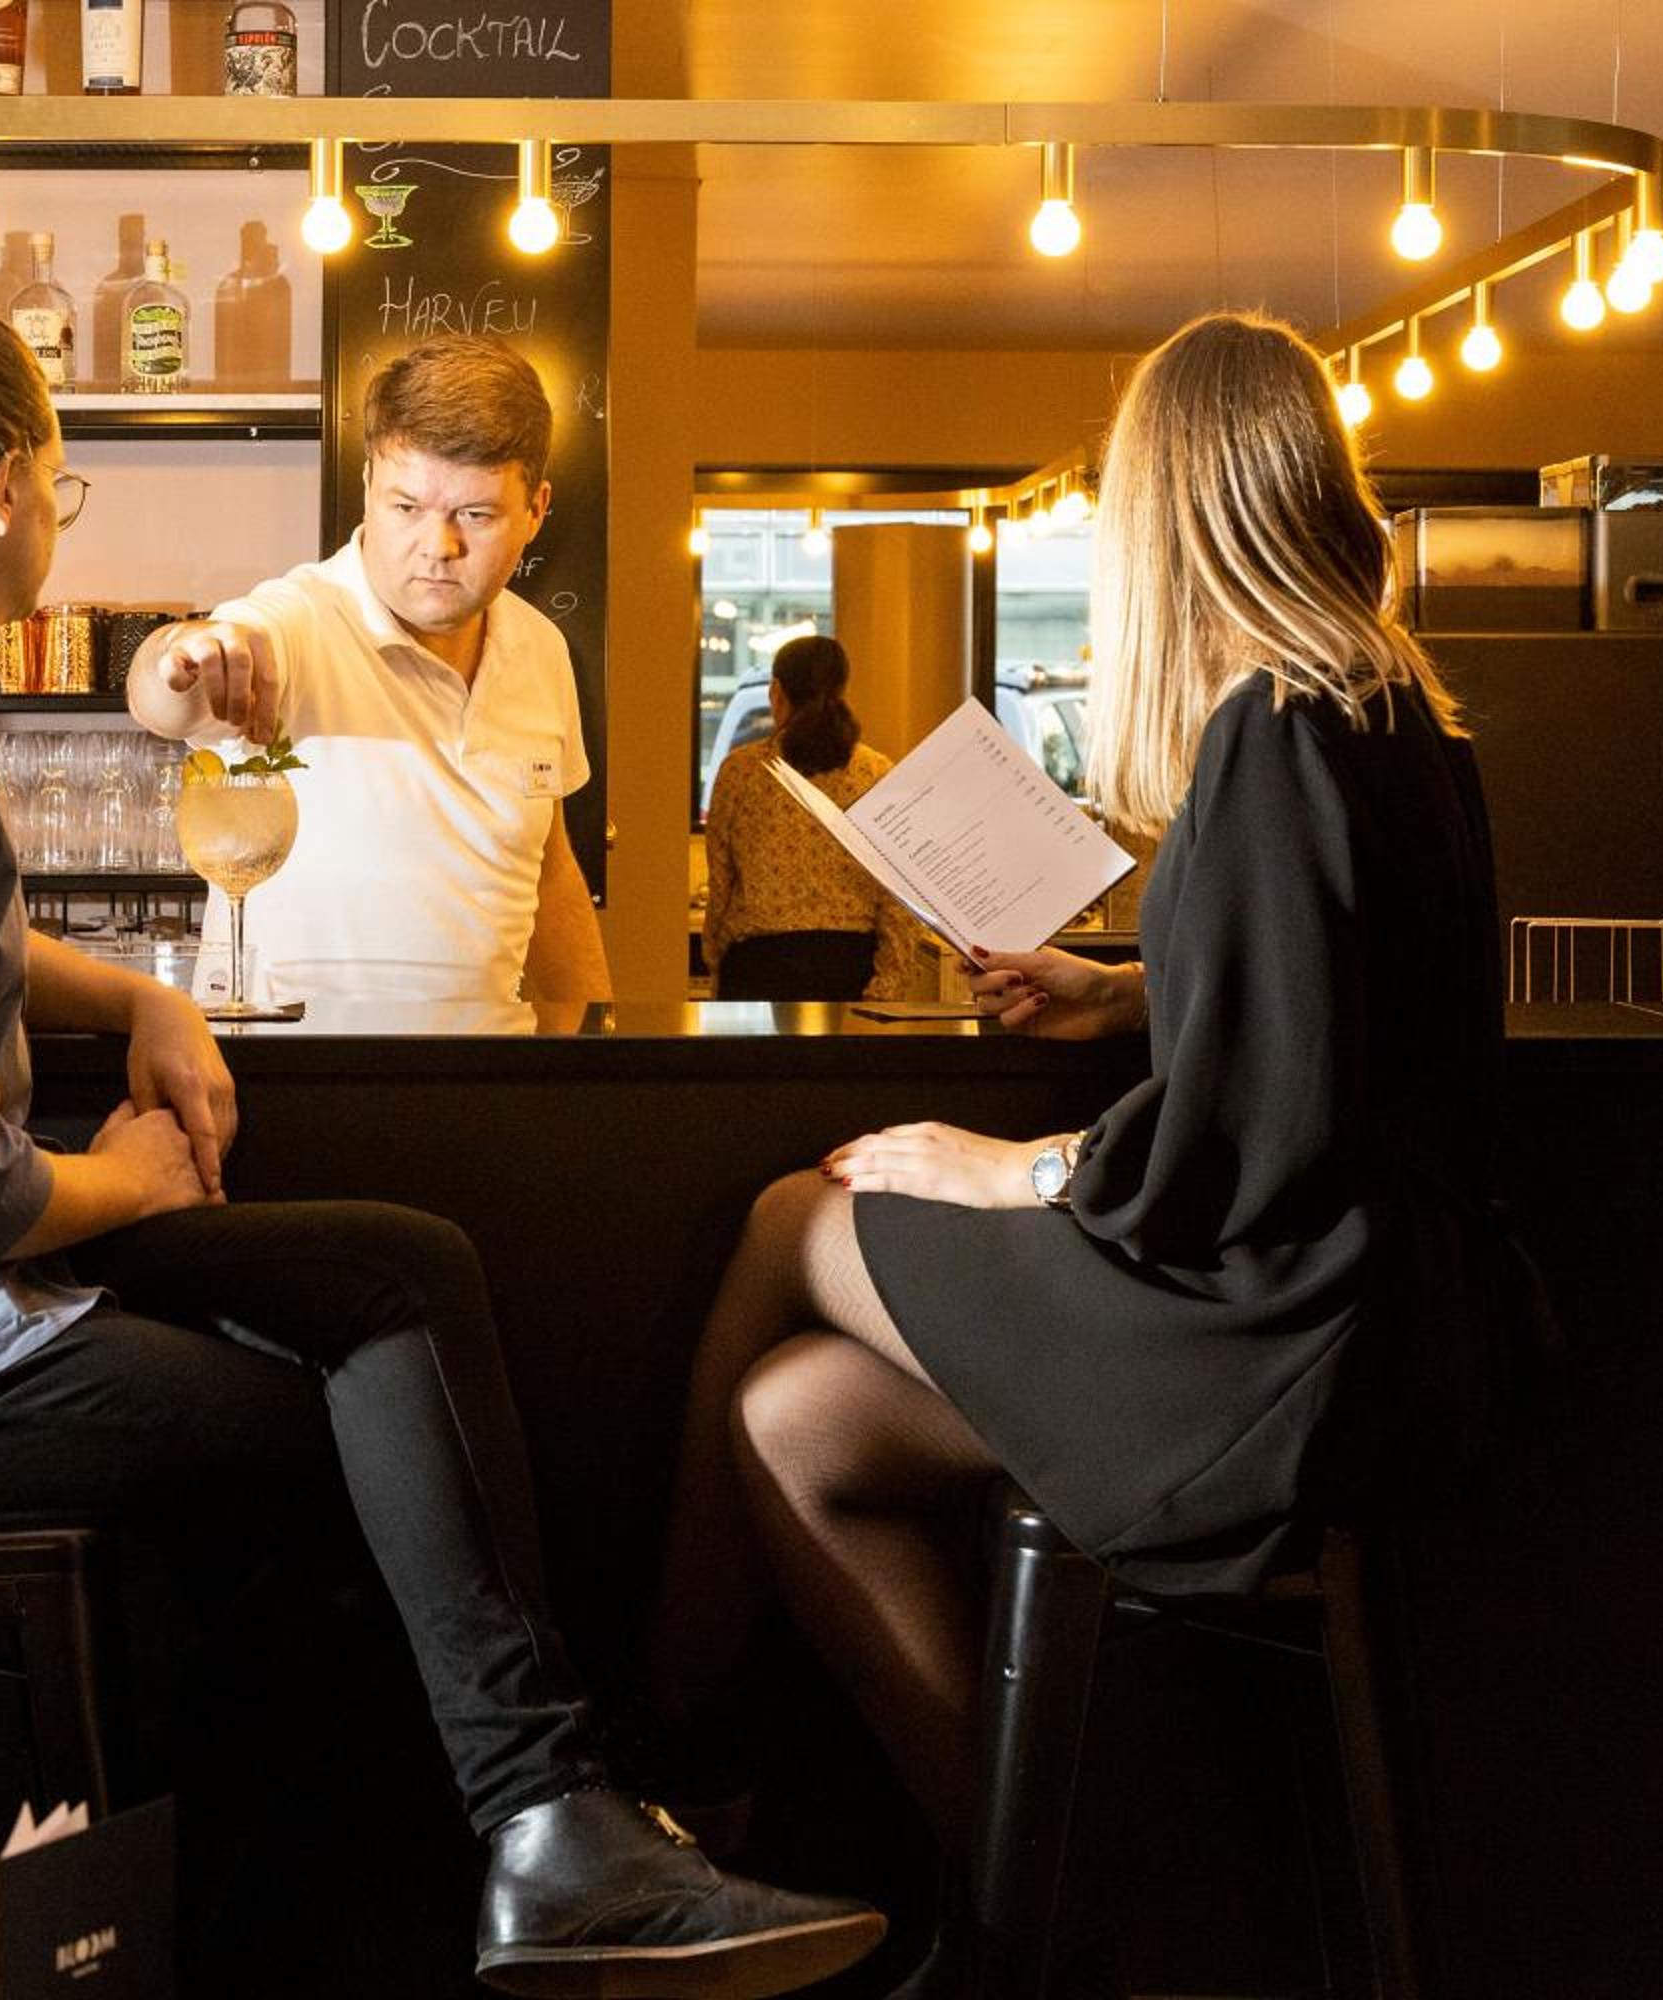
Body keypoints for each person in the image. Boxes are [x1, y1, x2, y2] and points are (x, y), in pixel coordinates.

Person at [0, 274, 881, 1999]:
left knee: (401, 1278)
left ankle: (529, 1838)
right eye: (60, 486)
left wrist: (140, 994)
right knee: (365, 1456)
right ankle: (441, 1862)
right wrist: (128, 1178)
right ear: (6, 489)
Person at [643, 312, 1546, 1985]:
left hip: (1280, 1332)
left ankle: (662, 1772)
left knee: (791, 1218)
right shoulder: (1386, 704)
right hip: (1378, 1329)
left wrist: (1017, 1167)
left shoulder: (1275, 721)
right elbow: (1328, 1010)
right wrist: (1122, 990)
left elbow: (1259, 1120)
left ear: (1167, 508)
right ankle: (1060, 1931)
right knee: (797, 1421)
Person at [125, 332, 613, 1007]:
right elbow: (161, 699)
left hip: (489, 1062)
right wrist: (180, 653)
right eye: (406, 508)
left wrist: (594, 1050)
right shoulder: (296, 620)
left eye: (475, 514)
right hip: (298, 1064)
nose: (438, 546)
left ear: (536, 509)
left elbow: (549, 872)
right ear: (367, 487)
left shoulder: (541, 648)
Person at [703, 635, 923, 1001]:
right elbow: (899, 896)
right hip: (848, 968)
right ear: (842, 690)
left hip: (756, 967)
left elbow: (721, 884)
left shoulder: (740, 771)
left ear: (776, 692)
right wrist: (887, 985)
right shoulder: (876, 773)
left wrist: (715, 960)